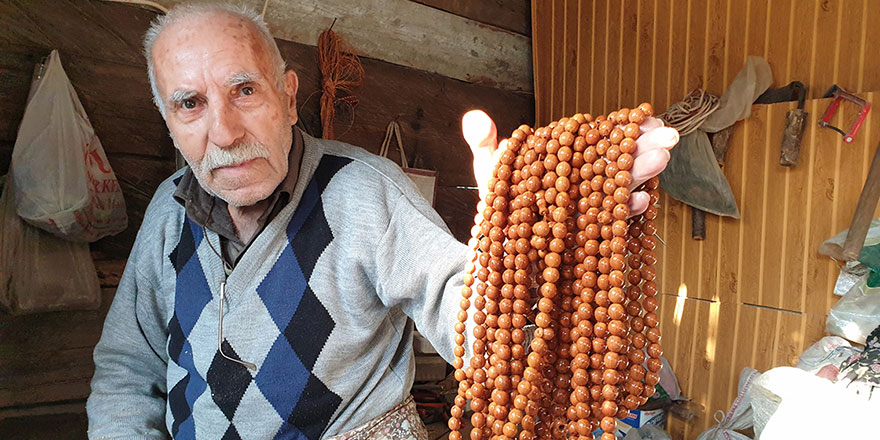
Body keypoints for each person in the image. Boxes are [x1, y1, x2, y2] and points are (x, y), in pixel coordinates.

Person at [86, 3, 678, 440]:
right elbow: (126, 369)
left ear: (289, 97)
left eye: (244, 90)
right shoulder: (169, 209)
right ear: (167, 118)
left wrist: (532, 234)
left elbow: (473, 323)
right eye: (190, 103)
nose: (224, 132)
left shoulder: (363, 192)